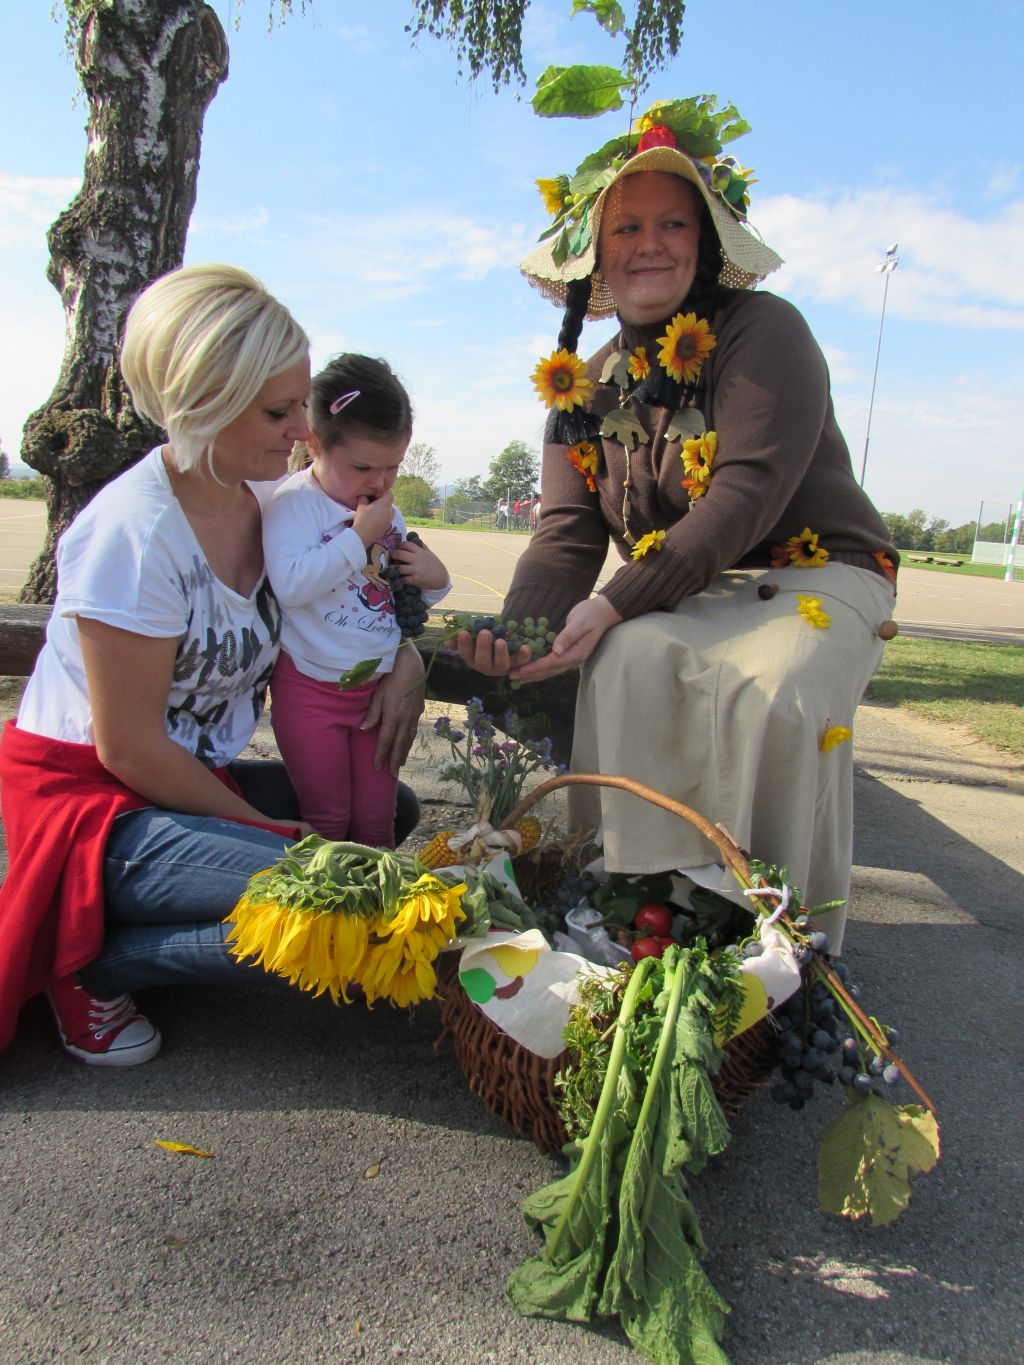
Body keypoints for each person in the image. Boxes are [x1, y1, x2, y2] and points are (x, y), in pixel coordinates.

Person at [456, 97, 900, 950]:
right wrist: (517, 635)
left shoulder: (765, 332)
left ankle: (775, 938)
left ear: (706, 241)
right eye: (625, 228)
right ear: (596, 254)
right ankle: (634, 905)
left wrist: (614, 600)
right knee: (625, 657)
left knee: (776, 686)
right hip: (694, 588)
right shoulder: (580, 387)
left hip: (824, 572)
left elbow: (744, 494)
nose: (648, 244)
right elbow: (564, 534)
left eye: (671, 223)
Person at [0, 264, 424, 1066]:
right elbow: (127, 747)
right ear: (205, 402)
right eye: (278, 411)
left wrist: (409, 659)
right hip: (93, 807)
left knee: (387, 818)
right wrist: (262, 828)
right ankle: (88, 964)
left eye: (300, 406)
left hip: (184, 783)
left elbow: (354, 598)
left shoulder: (262, 499)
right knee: (331, 888)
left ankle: (148, 924)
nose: (302, 431)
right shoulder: (135, 536)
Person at [262, 354, 450, 845]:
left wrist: (437, 581)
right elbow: (292, 586)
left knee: (375, 819)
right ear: (315, 443)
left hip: (376, 692)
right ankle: (325, 896)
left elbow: (399, 600)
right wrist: (359, 536)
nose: (380, 483)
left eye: (393, 467)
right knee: (327, 818)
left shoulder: (387, 515)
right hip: (310, 691)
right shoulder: (295, 505)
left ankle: (375, 895)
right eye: (363, 467)